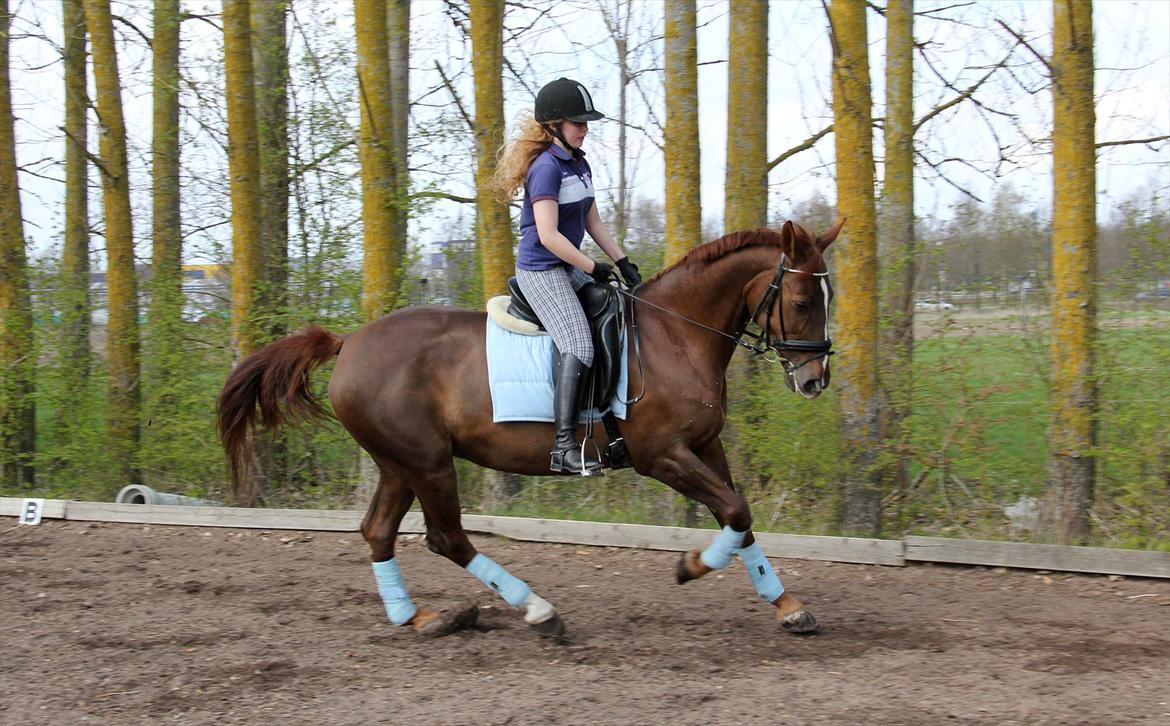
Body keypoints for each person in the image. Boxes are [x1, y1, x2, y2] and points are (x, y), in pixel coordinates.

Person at [493, 77, 641, 476]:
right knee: (580, 343)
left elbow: (592, 218)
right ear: (555, 125)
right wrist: (593, 267)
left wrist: (623, 261)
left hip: (569, 266)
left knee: (618, 308)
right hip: (542, 272)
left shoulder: (579, 163)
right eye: (578, 122)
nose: (585, 127)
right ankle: (563, 448)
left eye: (586, 122)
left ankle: (610, 423)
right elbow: (548, 235)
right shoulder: (544, 169)